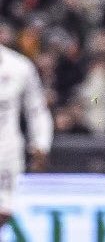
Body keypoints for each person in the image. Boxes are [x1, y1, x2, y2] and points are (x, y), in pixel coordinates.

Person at [0, 43, 54, 231]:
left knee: (4, 210)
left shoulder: (19, 67)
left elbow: (37, 110)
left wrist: (41, 145)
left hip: (6, 152)